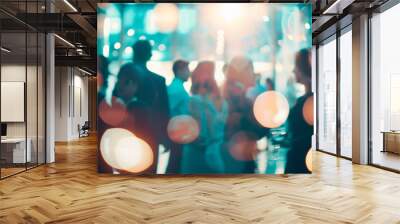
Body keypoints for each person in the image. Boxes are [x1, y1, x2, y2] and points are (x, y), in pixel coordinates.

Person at [98, 63, 157, 173]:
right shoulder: (112, 105)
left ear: (136, 85)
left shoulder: (141, 109)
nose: (122, 85)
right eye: (120, 80)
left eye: (128, 82)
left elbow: (148, 139)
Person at [222, 56, 268, 173]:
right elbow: (251, 130)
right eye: (251, 70)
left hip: (239, 162)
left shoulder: (239, 97)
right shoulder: (237, 99)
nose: (254, 73)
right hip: (237, 164)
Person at [180, 61, 228, 174]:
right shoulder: (222, 101)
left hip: (196, 154)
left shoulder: (195, 101)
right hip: (216, 155)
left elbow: (195, 132)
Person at [132, 40, 171, 173]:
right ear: (150, 55)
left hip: (128, 132)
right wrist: (165, 136)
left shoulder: (125, 77)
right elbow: (164, 112)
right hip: (151, 133)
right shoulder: (158, 81)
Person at [285, 49, 313, 174]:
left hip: (299, 162)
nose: (293, 70)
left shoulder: (307, 102)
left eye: (295, 66)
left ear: (303, 68)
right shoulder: (306, 100)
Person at [166, 60, 191, 173]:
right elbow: (169, 110)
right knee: (176, 161)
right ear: (179, 71)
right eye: (187, 70)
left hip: (178, 130)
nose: (189, 73)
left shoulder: (176, 87)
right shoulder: (177, 89)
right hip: (178, 131)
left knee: (175, 161)